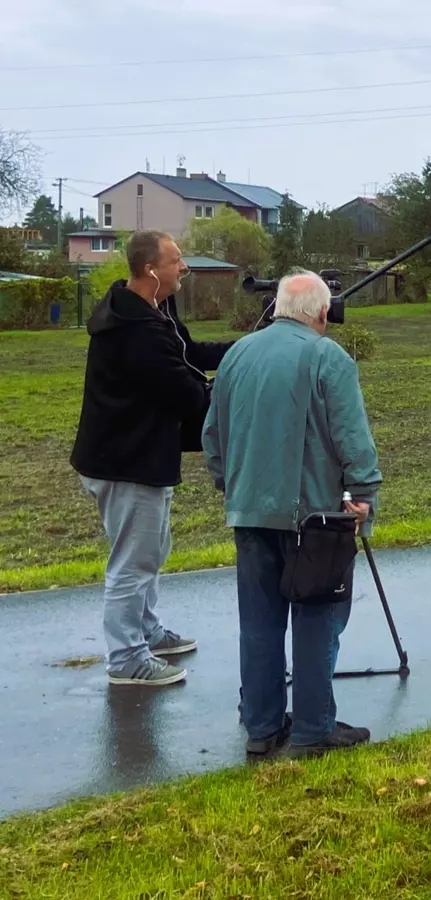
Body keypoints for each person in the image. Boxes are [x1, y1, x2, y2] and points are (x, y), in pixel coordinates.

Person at [203, 269, 382, 760]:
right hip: (316, 519)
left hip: (249, 510)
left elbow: (212, 434)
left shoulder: (238, 354)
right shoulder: (328, 356)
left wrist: (232, 485)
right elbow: (352, 437)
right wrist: (364, 493)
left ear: (279, 307)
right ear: (323, 313)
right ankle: (312, 730)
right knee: (317, 617)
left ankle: (261, 727)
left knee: (258, 622)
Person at [70, 229, 234, 687]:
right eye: (176, 260)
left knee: (151, 550)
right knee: (133, 562)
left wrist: (249, 349)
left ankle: (146, 631)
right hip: (125, 462)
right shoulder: (134, 334)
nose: (184, 267)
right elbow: (188, 395)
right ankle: (126, 659)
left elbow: (190, 354)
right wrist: (242, 387)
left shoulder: (152, 312)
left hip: (143, 455)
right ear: (150, 270)